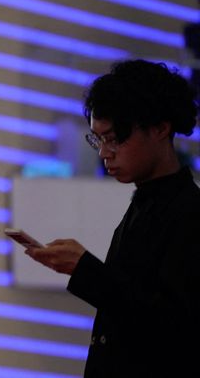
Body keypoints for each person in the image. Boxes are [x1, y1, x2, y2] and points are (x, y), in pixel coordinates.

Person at [25, 60, 200, 377]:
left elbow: (174, 326)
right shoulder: (144, 202)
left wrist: (86, 270)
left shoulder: (189, 211)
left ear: (161, 127)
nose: (105, 153)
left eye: (115, 138)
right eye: (98, 139)